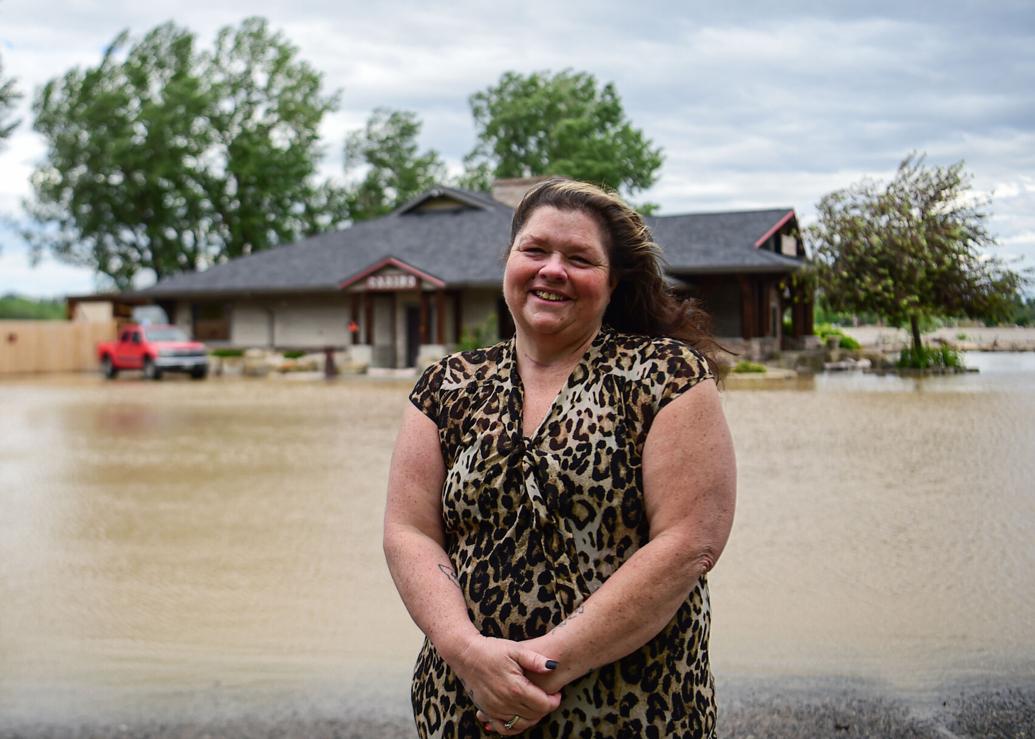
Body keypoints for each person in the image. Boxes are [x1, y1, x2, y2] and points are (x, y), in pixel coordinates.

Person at [383, 178, 736, 738]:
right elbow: (409, 532)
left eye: (579, 258)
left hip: (634, 708)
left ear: (612, 281)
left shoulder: (666, 376)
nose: (552, 269)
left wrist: (541, 671)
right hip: (467, 704)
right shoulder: (445, 385)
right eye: (535, 250)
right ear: (509, 262)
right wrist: (469, 654)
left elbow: (690, 542)